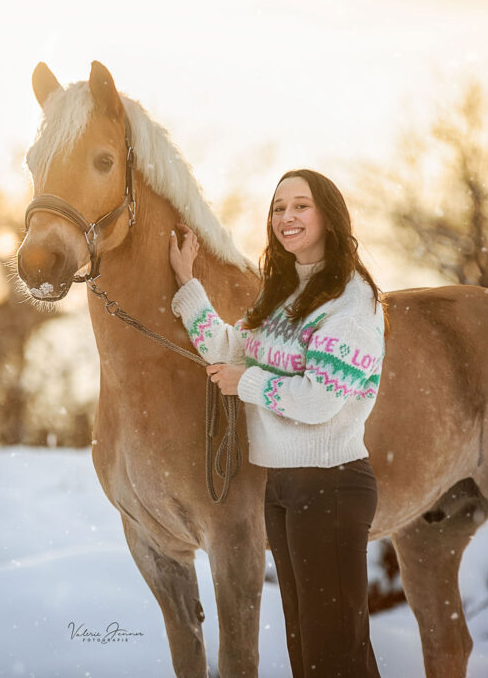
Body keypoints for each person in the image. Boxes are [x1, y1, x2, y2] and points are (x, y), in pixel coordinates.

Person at [168, 169, 388, 678]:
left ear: (328, 217)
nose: (286, 217)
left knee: (335, 655)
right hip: (285, 488)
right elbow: (227, 347)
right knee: (308, 652)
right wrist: (187, 282)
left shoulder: (351, 303)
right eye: (278, 208)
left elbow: (317, 401)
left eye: (300, 206)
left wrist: (245, 382)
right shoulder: (286, 297)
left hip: (331, 486)